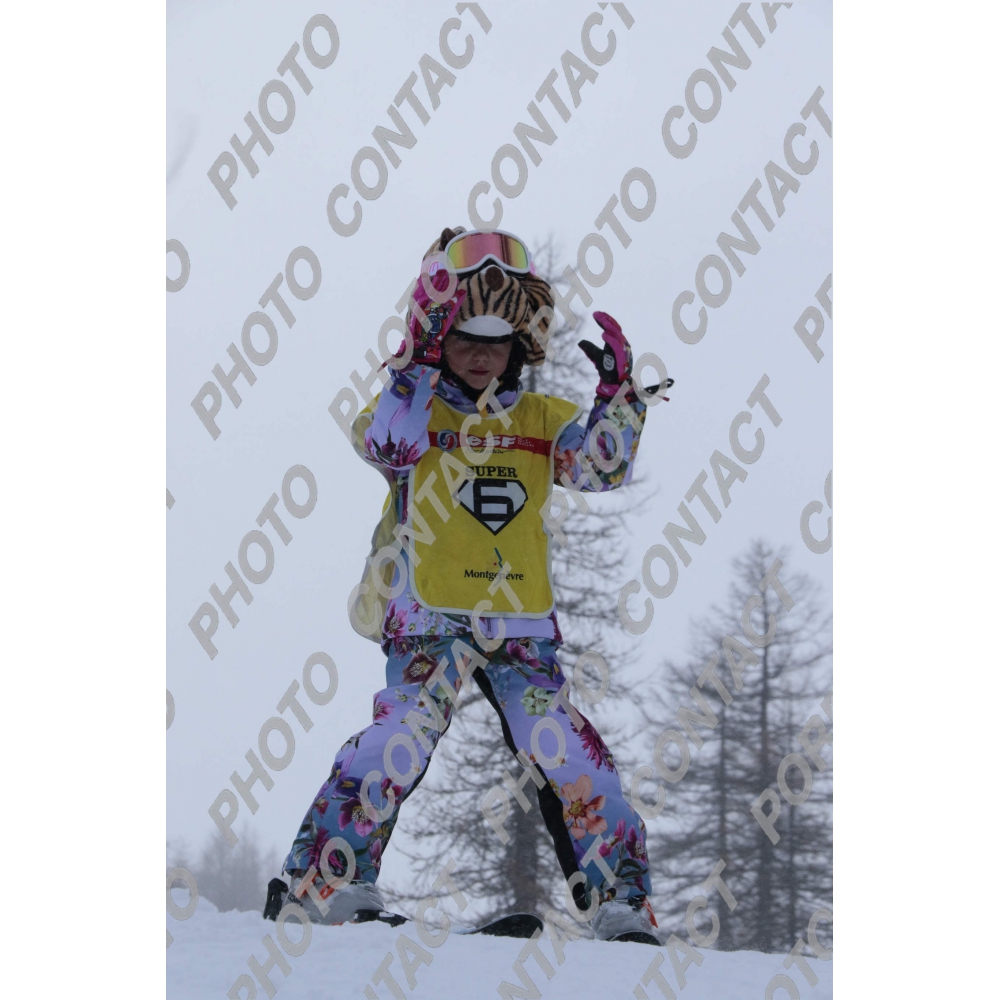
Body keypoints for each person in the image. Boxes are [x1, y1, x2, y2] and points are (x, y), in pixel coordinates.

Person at [265, 227, 666, 944]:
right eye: (464, 341)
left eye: (498, 343)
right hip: (429, 616)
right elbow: (387, 444)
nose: (482, 357)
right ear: (438, 337)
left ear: (520, 346)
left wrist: (619, 398)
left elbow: (600, 468)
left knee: (572, 754)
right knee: (398, 742)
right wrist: (414, 367)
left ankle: (622, 903)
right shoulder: (413, 409)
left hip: (520, 626)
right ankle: (324, 884)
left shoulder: (541, 419)